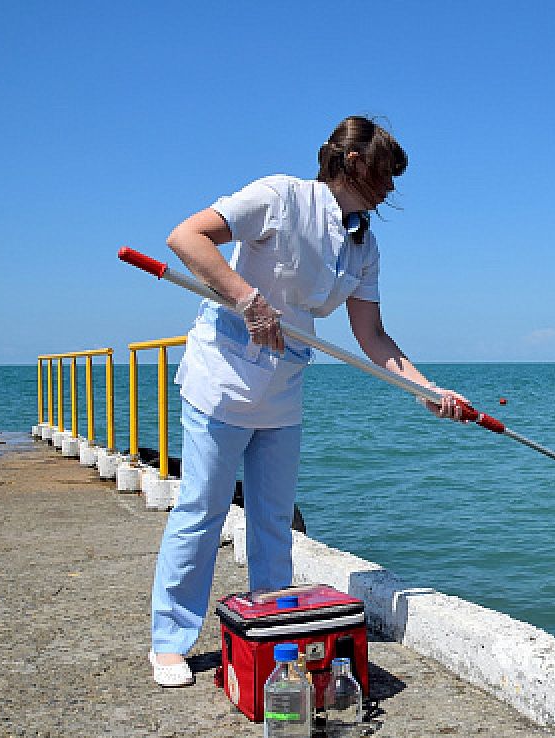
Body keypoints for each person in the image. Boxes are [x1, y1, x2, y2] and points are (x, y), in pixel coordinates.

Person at [148, 115, 465, 687]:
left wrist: (426, 390)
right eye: (385, 172)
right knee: (202, 509)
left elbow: (371, 336)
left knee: (273, 520)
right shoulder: (279, 197)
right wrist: (247, 298)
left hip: (283, 389)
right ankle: (170, 641)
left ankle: (272, 634)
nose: (391, 187)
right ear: (351, 162)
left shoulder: (365, 243)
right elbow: (185, 238)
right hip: (222, 376)